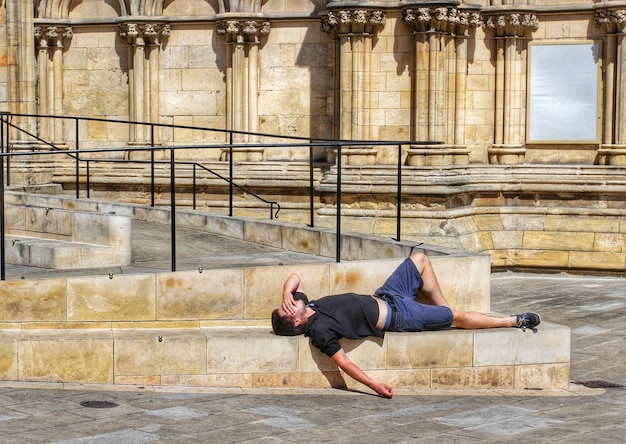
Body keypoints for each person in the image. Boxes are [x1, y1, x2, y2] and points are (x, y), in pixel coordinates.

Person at [271, 252, 541, 398]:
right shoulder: (319, 330)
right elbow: (345, 363)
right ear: (297, 321)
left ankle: (441, 309)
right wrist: (375, 386)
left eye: (289, 301)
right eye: (289, 305)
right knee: (456, 317)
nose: (292, 300)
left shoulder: (310, 306)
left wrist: (286, 293)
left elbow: (294, 277)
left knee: (420, 259)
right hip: (401, 316)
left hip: (387, 295)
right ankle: (514, 320)